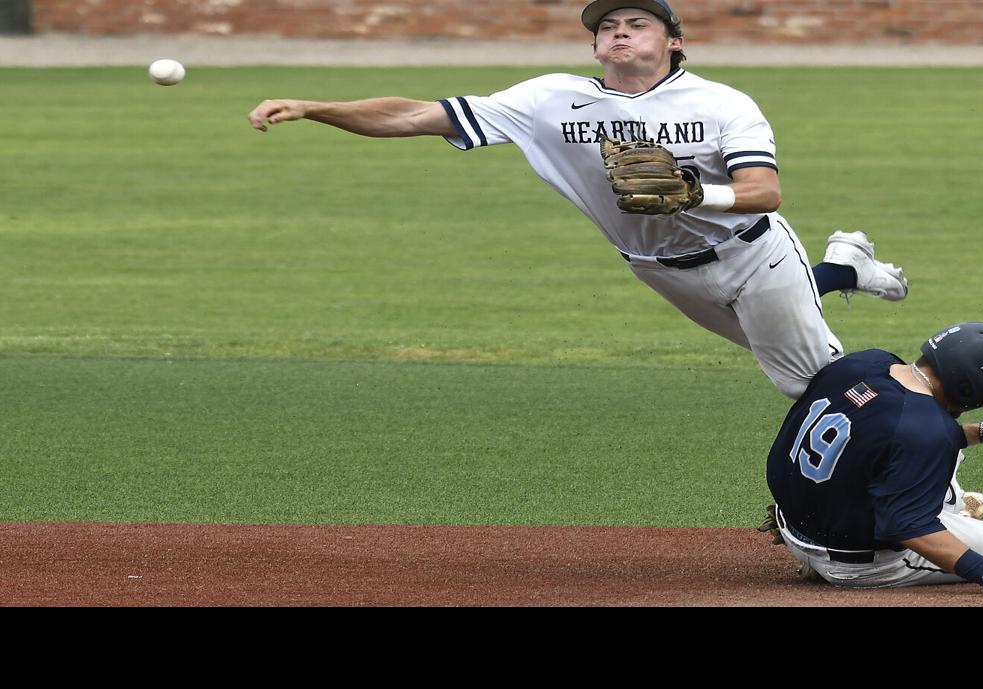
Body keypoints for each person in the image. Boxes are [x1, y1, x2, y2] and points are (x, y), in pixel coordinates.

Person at [246, 0, 908, 399]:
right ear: (594, 44)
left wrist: (691, 190)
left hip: (751, 254)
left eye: (637, 24)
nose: (619, 32)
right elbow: (416, 115)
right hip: (655, 268)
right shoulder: (546, 100)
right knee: (774, 347)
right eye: (608, 26)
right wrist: (313, 106)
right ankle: (845, 267)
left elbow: (766, 192)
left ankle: (929, 491)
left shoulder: (721, 102)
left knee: (809, 379)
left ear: (673, 42)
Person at [761, 322, 983, 599]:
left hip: (797, 519)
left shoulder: (865, 363)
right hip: (856, 562)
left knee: (932, 452)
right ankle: (957, 518)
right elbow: (906, 526)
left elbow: (882, 435)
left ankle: (952, 510)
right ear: (967, 385)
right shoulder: (927, 430)